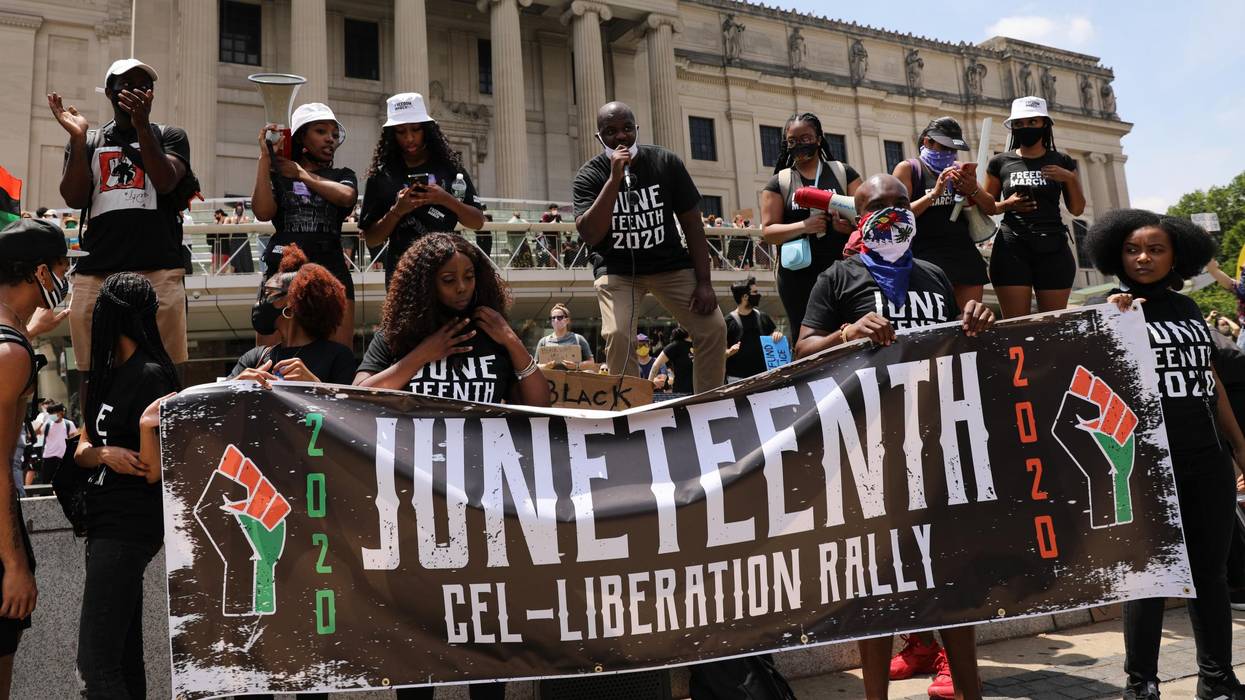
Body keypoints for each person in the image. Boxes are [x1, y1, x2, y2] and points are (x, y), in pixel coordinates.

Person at [795, 175, 993, 700]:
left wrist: (977, 319)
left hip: (939, 442)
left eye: (900, 204)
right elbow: (802, 348)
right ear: (856, 220)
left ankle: (968, 686)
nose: (892, 213)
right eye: (877, 207)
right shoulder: (836, 277)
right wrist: (844, 334)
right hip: (870, 447)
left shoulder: (933, 273)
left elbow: (958, 344)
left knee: (952, 575)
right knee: (877, 584)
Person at [1086, 209, 1245, 700]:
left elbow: (1209, 379)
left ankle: (1217, 679)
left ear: (1176, 255)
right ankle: (1141, 684)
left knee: (1210, 576)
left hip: (1207, 459)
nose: (1143, 258)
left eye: (1156, 249)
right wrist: (1113, 316)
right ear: (1118, 255)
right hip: (1145, 464)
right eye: (1133, 249)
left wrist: (1239, 446)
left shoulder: (1189, 310)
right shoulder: (1113, 309)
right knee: (1148, 578)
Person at [72, 272, 180, 699]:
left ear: (111, 315)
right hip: (104, 524)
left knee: (94, 668)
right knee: (121, 660)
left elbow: (152, 470)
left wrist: (141, 428)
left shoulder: (151, 374)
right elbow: (82, 447)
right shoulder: (106, 374)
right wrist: (104, 454)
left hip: (129, 526)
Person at [50, 57, 193, 372]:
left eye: (144, 86)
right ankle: (95, 422)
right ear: (110, 93)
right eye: (126, 85)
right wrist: (76, 138)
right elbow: (74, 198)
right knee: (93, 370)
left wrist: (142, 127)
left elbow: (167, 181)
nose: (136, 91)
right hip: (97, 273)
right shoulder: (88, 141)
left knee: (167, 368)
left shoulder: (170, 135)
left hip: (159, 270)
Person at [572, 101, 726, 393]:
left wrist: (704, 282)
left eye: (627, 129)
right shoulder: (589, 176)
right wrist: (614, 179)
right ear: (599, 137)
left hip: (669, 264)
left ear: (637, 129)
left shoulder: (665, 163)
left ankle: (708, 403)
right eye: (611, 131)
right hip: (617, 269)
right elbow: (591, 234)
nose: (621, 137)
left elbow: (694, 225)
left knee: (713, 328)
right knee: (618, 335)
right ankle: (628, 411)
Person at [0, 218, 81, 694]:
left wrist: (30, 333)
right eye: (61, 267)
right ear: (39, 273)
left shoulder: (12, 342)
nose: (65, 277)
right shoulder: (11, 354)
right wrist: (12, 563)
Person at [251, 102, 356, 347]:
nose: (330, 139)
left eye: (334, 134)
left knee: (338, 357)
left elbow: (346, 197)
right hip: (282, 270)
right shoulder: (277, 174)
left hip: (331, 269)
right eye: (321, 132)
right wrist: (265, 159)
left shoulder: (342, 174)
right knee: (270, 358)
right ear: (301, 138)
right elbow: (263, 211)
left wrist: (301, 174)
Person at [359, 93, 484, 287]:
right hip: (402, 273)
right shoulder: (382, 176)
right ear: (392, 133)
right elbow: (372, 239)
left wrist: (445, 199)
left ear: (426, 129)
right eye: (401, 132)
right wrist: (397, 211)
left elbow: (477, 221)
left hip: (446, 270)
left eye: (416, 129)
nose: (409, 138)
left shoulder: (450, 168)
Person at [982, 96, 1086, 318]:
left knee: (1051, 326)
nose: (1025, 127)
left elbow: (1077, 209)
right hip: (1012, 247)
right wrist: (1007, 205)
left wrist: (1070, 178)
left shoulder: (1062, 160)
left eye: (1032, 122)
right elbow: (987, 207)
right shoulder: (1000, 162)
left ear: (1044, 124)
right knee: (1016, 325)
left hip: (1053, 247)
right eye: (1019, 124)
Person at [760, 112, 863, 331]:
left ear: (819, 138)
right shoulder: (780, 182)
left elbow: (865, 214)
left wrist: (848, 228)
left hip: (842, 270)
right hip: (798, 275)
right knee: (806, 335)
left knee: (847, 330)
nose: (799, 144)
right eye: (792, 141)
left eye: (805, 138)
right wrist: (805, 226)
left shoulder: (843, 173)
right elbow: (768, 231)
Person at [893, 117, 995, 309]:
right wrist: (934, 194)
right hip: (924, 258)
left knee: (969, 323)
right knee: (935, 325)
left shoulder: (958, 169)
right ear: (927, 141)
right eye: (944, 147)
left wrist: (972, 188)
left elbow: (991, 207)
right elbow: (898, 216)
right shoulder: (909, 169)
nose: (949, 154)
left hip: (963, 256)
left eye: (952, 149)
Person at [230, 244, 356, 387]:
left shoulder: (338, 357)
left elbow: (348, 407)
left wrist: (316, 386)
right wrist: (235, 386)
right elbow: (217, 404)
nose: (262, 301)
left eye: (269, 293)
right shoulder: (254, 358)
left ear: (292, 303)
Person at [725, 276, 782, 381]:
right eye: (755, 292)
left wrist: (777, 336)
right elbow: (719, 353)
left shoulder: (763, 317)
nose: (758, 295)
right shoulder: (728, 322)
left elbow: (774, 339)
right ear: (745, 297)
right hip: (737, 378)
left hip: (764, 376)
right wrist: (729, 352)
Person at [36, 403, 76, 486]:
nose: (52, 415)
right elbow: (37, 432)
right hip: (48, 457)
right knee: (46, 482)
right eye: (50, 414)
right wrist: (42, 421)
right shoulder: (47, 424)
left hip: (63, 457)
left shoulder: (69, 424)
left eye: (54, 413)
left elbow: (73, 439)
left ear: (61, 413)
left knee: (65, 482)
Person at [647, 326, 694, 394]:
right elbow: (656, 365)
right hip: (682, 394)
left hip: (699, 392)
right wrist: (648, 387)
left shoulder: (699, 345)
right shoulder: (676, 346)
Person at [225, 201, 254, 274]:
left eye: (240, 209)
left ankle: (247, 270)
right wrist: (234, 220)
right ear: (235, 210)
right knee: (235, 255)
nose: (239, 211)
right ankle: (236, 271)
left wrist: (241, 220)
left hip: (243, 238)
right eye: (238, 209)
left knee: (245, 255)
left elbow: (246, 225)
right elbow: (227, 226)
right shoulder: (231, 218)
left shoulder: (246, 218)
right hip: (235, 239)